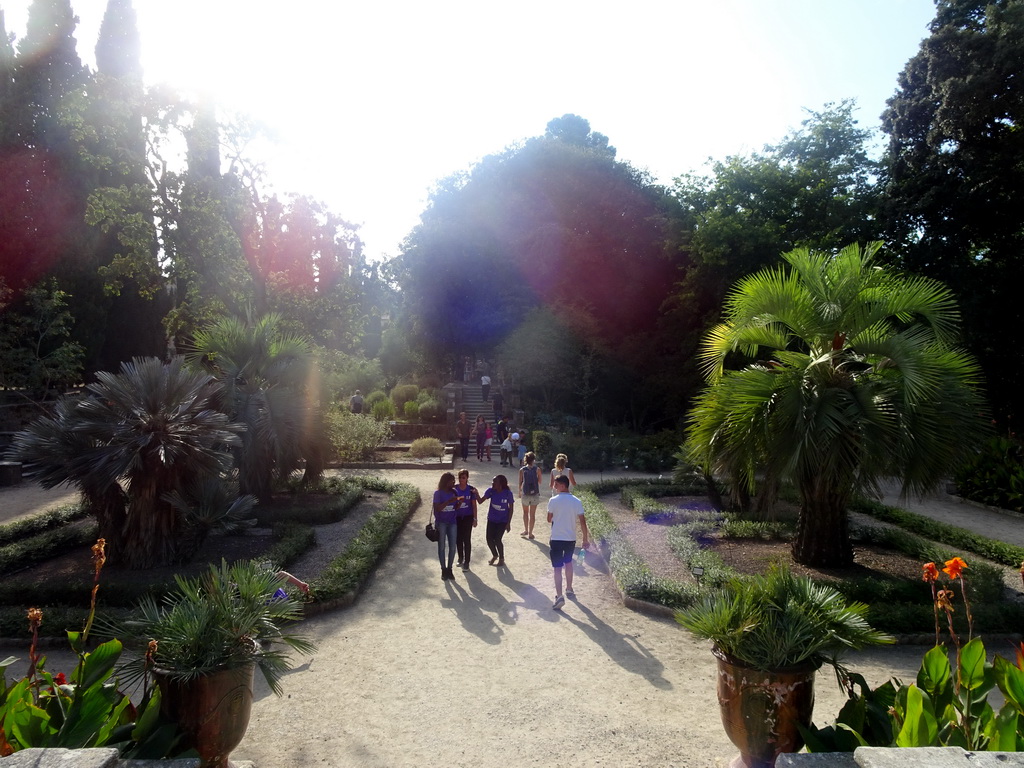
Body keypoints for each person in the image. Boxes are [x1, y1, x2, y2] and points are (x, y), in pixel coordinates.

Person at [547, 474, 590, 611]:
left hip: (556, 538)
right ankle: (569, 588)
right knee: (569, 563)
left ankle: (559, 596)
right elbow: (582, 521)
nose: (554, 486)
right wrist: (585, 538)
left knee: (557, 568)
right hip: (570, 538)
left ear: (562, 485)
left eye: (556, 484)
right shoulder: (576, 501)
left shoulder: (553, 500)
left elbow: (549, 519)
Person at [481, 474, 515, 567]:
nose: (492, 483)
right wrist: (475, 493)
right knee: (489, 539)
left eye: (495, 481)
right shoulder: (491, 491)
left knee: (497, 539)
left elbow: (511, 508)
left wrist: (508, 523)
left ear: (501, 483)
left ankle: (501, 558)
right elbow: (480, 501)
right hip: (491, 519)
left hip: (502, 520)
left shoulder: (508, 493)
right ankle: (494, 555)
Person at [432, 472, 459, 580]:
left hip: (452, 522)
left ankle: (450, 568)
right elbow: (437, 508)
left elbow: (455, 508)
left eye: (453, 481)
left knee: (453, 547)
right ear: (445, 482)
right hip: (441, 522)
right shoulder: (438, 493)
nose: (453, 483)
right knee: (442, 547)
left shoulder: (455, 492)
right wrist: (448, 501)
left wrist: (459, 503)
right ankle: (443, 569)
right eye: (451, 481)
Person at [454, 469, 480, 570]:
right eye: (460, 477)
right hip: (457, 517)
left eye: (463, 478)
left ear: (467, 478)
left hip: (468, 517)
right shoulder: (455, 489)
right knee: (458, 539)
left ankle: (467, 562)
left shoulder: (471, 490)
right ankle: (460, 557)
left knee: (466, 539)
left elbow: (474, 505)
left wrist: (475, 519)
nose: (461, 480)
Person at [518, 450, 542, 539]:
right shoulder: (537, 469)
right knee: (532, 514)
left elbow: (520, 482)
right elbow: (540, 481)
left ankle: (526, 530)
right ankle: (531, 533)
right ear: (533, 460)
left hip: (525, 493)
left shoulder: (522, 470)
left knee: (525, 512)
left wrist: (519, 492)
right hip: (535, 493)